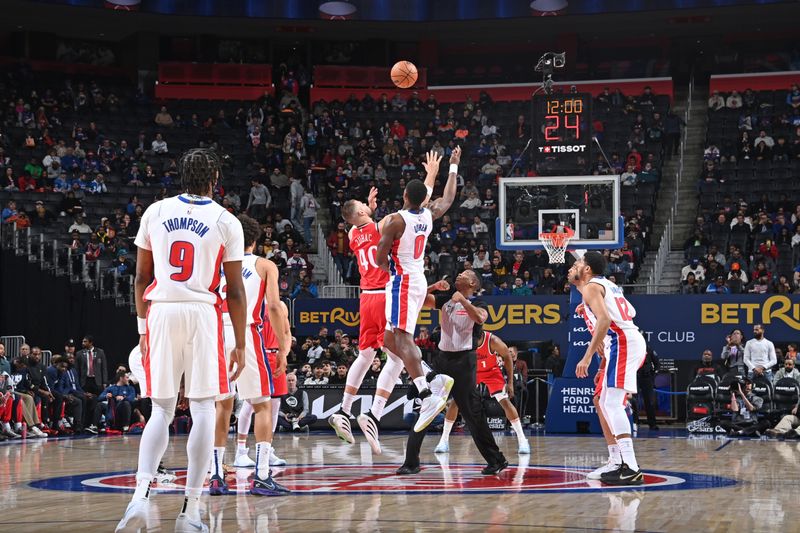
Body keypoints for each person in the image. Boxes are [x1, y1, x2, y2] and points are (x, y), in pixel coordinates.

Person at [116, 148, 247, 533]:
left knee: (161, 409)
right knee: (205, 408)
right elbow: (236, 291)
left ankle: (140, 498)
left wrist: (142, 330)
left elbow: (141, 278)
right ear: (215, 179)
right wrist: (238, 341)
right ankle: (190, 511)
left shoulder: (154, 212)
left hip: (160, 311)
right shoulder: (226, 220)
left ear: (180, 175)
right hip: (203, 313)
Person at [328, 151, 443, 454]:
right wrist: (431, 174)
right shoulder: (384, 225)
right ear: (362, 214)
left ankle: (344, 409)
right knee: (396, 357)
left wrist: (369, 209)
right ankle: (378, 413)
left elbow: (361, 221)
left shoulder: (354, 234)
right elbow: (416, 206)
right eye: (364, 206)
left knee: (365, 355)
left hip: (364, 298)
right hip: (385, 293)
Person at [374, 146, 461, 439]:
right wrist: (451, 167)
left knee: (401, 338)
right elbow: (446, 198)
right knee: (387, 338)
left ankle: (427, 392)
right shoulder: (429, 213)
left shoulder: (395, 220)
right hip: (418, 277)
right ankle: (432, 377)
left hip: (403, 280)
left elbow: (378, 257)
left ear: (403, 197)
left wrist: (390, 271)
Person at [208, 214, 290, 497]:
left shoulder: (217, 265)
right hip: (247, 333)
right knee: (262, 406)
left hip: (217, 333)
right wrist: (283, 346)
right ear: (256, 240)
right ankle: (263, 475)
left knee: (222, 407)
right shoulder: (264, 265)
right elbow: (275, 308)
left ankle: (216, 475)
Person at [397, 270, 507, 476]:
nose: (458, 275)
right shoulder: (445, 300)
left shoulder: (479, 303)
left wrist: (463, 301)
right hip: (442, 360)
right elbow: (417, 300)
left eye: (464, 274)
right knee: (426, 407)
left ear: (473, 282)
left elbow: (481, 318)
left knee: (472, 414)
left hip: (464, 362)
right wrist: (434, 287)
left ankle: (496, 460)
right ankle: (411, 462)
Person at [573, 251, 646, 485]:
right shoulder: (608, 285)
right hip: (626, 339)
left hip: (622, 341)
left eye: (579, 263)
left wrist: (586, 357)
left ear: (586, 269)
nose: (575, 266)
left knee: (612, 403)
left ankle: (631, 467)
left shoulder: (593, 286)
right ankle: (619, 462)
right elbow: (631, 312)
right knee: (604, 402)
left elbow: (604, 321)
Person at [434, 330, 530, 455]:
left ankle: (522, 440)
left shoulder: (493, 341)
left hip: (492, 372)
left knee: (505, 401)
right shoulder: (464, 340)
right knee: (456, 402)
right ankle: (444, 440)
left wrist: (510, 382)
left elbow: (507, 356)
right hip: (472, 371)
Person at [234, 300, 292, 469]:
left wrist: (284, 352)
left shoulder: (280, 306)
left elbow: (287, 332)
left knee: (274, 406)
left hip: (275, 356)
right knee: (250, 403)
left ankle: (267, 450)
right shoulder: (252, 300)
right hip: (256, 355)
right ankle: (241, 451)